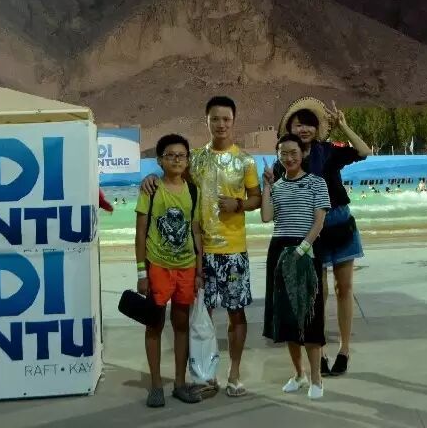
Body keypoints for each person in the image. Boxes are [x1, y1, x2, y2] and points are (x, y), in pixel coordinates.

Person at [141, 95, 261, 397]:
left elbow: (257, 198)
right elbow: (172, 176)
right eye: (215, 119)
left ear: (234, 121)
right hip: (199, 253)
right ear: (206, 121)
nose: (221, 124)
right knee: (197, 318)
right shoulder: (194, 159)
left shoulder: (246, 161)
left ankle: (234, 374)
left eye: (226, 119)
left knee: (236, 314)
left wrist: (239, 204)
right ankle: (204, 374)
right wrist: (150, 177)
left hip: (233, 250)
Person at [273, 97, 372, 377]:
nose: (304, 129)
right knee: (319, 293)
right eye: (298, 124)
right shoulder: (287, 159)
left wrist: (344, 125)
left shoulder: (328, 152)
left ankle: (344, 350)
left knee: (344, 288)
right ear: (290, 128)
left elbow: (364, 151)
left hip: (340, 223)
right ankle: (322, 348)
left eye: (309, 124)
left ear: (317, 129)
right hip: (311, 230)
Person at [135, 134, 204, 408]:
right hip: (158, 268)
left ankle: (179, 383)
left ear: (187, 160)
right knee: (154, 324)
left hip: (186, 268)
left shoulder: (193, 191)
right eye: (170, 155)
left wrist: (199, 271)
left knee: (181, 325)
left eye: (181, 155)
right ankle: (155, 386)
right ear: (160, 160)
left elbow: (196, 232)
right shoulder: (151, 189)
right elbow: (140, 233)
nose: (176, 160)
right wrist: (142, 272)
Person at [262, 133, 331, 399]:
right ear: (278, 156)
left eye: (293, 152)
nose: (289, 158)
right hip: (279, 250)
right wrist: (267, 186)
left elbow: (319, 221)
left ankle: (316, 379)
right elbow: (267, 217)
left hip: (306, 249)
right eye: (283, 153)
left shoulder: (316, 182)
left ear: (303, 154)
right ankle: (299, 374)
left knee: (310, 315)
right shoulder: (277, 186)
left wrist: (302, 249)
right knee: (287, 316)